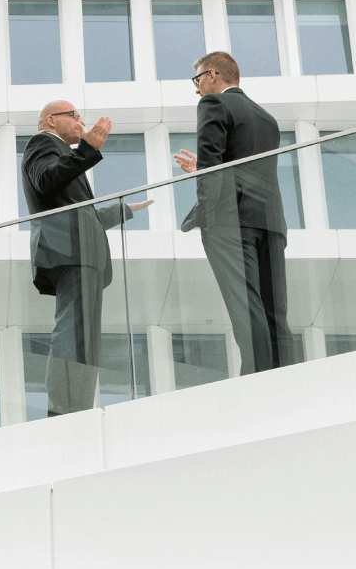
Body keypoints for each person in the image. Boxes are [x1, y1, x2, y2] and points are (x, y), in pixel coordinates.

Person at [21, 101, 152, 415]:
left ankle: (76, 407)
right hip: (70, 251)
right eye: (74, 116)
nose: (81, 121)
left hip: (84, 251)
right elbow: (46, 180)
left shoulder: (65, 153)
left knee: (86, 338)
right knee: (72, 330)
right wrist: (88, 148)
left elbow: (83, 215)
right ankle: (62, 410)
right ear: (51, 120)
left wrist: (124, 210)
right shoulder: (42, 143)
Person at [173, 51, 294, 375]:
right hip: (270, 220)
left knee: (246, 305)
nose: (197, 89)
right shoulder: (267, 118)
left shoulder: (214, 105)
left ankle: (256, 381)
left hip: (232, 221)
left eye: (197, 79)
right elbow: (245, 165)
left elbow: (213, 167)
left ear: (212, 74)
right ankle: (286, 378)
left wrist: (209, 219)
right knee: (274, 311)